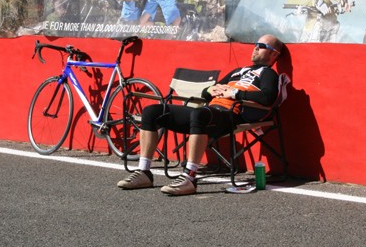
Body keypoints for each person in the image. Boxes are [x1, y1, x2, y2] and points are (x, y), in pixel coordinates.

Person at [117, 34, 283, 196]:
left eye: (262, 46)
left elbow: (267, 98)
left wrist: (235, 93)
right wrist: (210, 90)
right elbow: (206, 94)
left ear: (274, 53)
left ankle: (189, 177)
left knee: (199, 114)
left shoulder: (268, 74)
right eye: (255, 44)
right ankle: (144, 172)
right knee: (152, 111)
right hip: (209, 111)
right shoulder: (238, 71)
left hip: (229, 115)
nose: (255, 48)